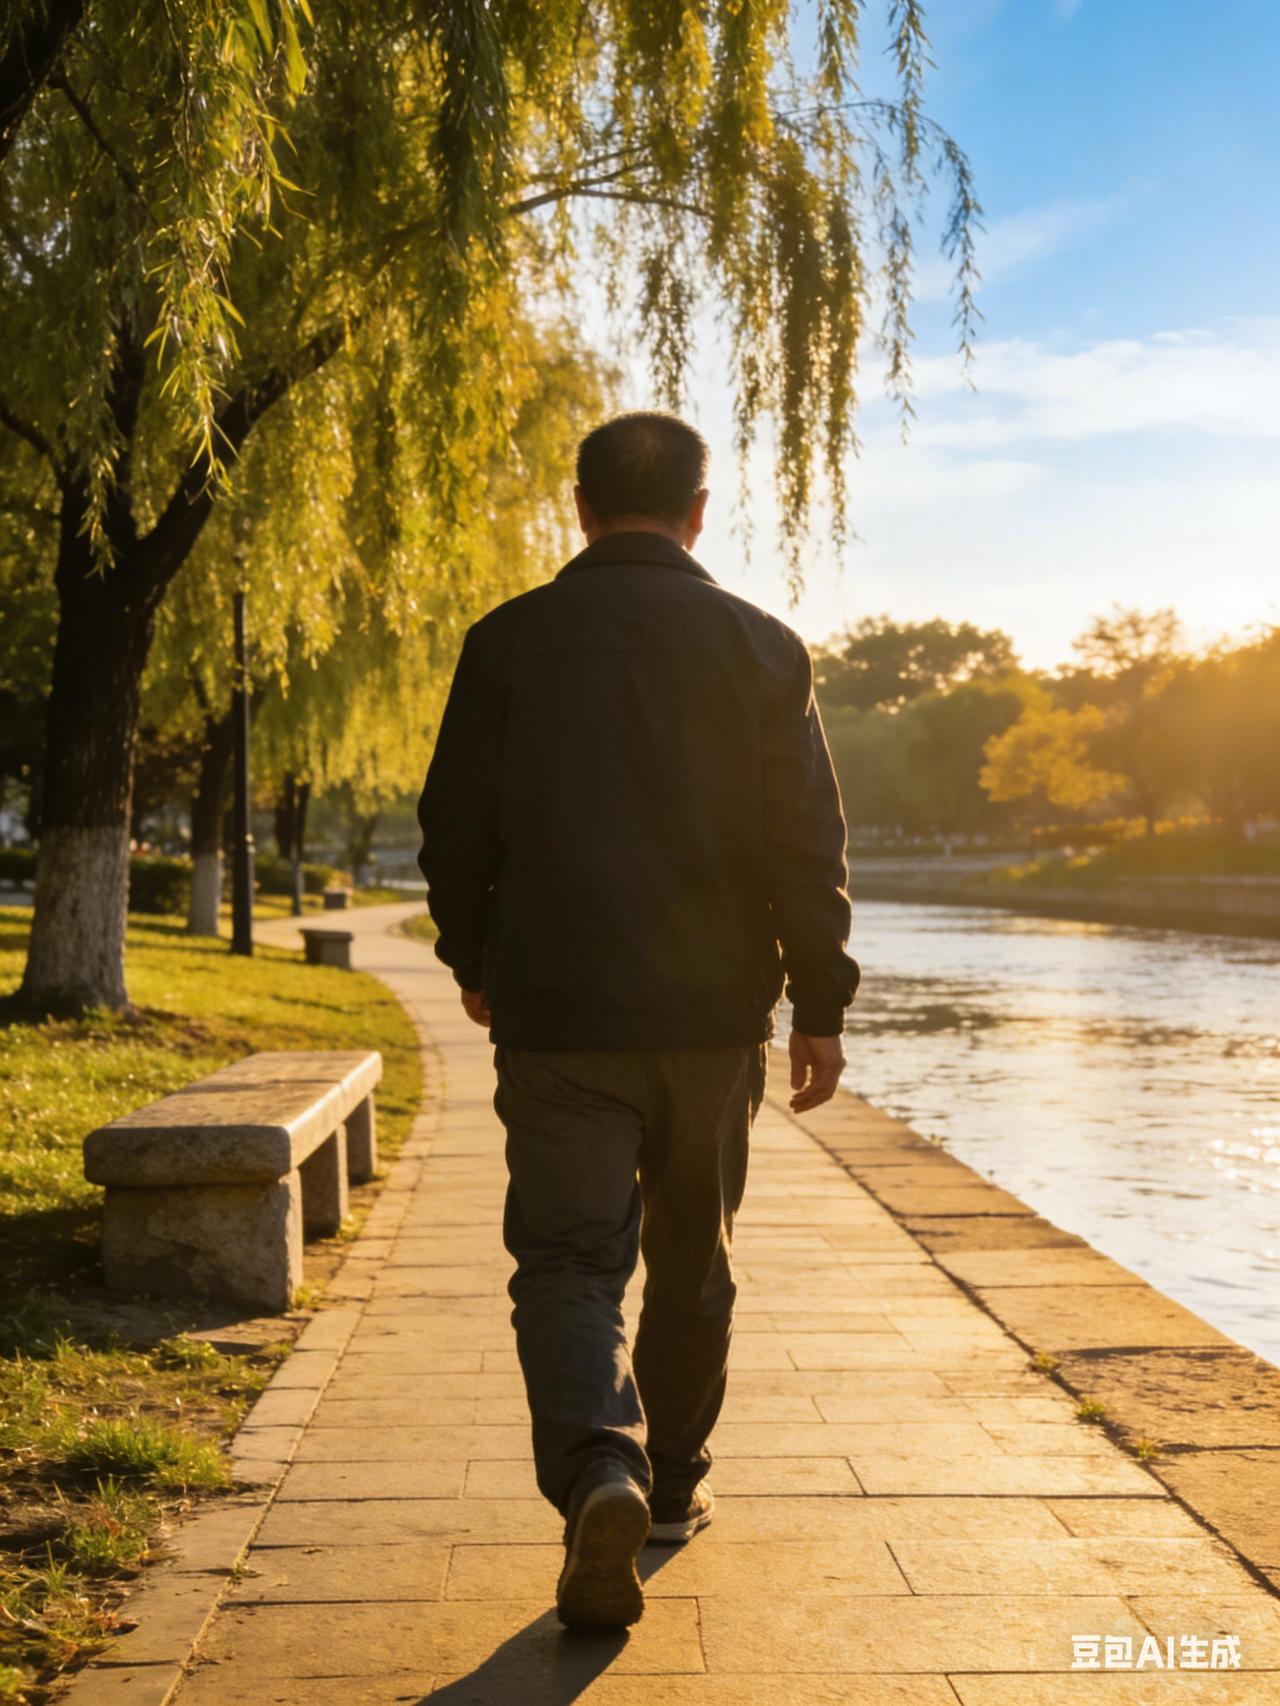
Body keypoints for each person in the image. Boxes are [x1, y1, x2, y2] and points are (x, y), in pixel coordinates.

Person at [417, 411, 859, 1631]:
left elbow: (453, 823)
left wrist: (474, 955)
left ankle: (595, 1470)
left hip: (558, 1013)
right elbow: (806, 842)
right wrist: (818, 1003)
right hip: (712, 1019)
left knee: (567, 1260)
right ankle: (668, 1484)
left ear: (579, 505)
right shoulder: (762, 645)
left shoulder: (506, 639)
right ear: (699, 511)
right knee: (691, 1258)